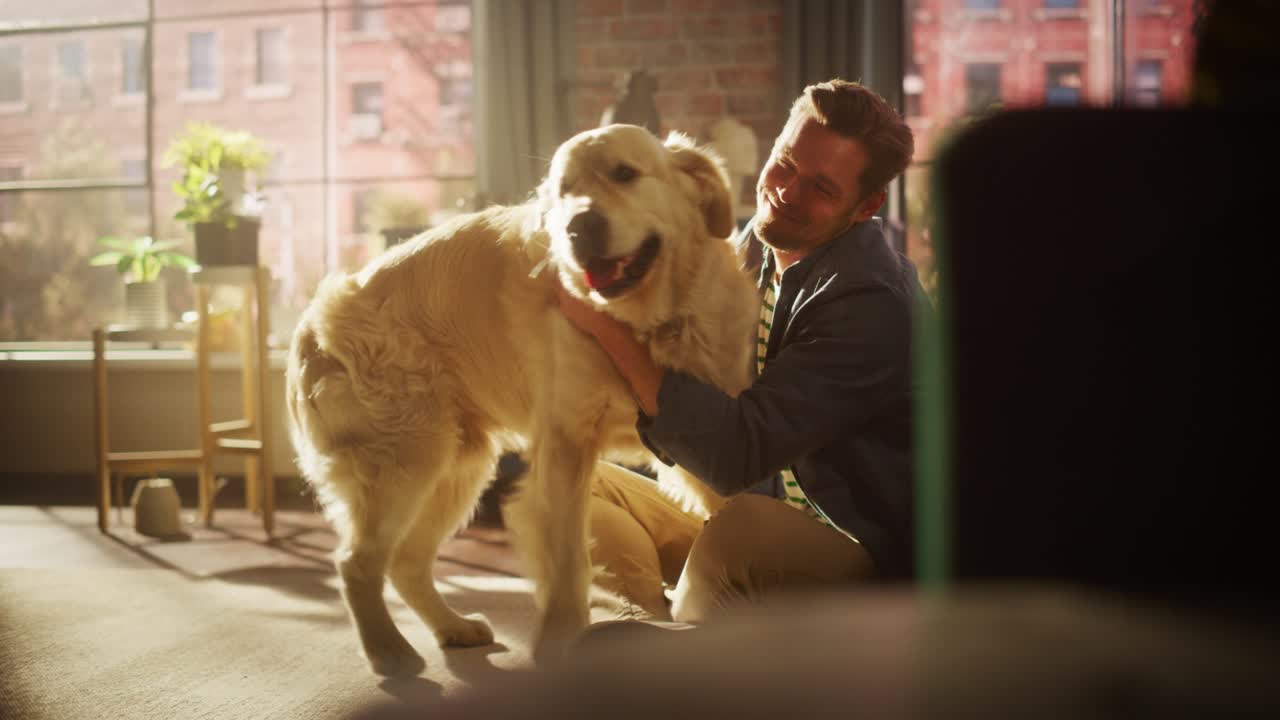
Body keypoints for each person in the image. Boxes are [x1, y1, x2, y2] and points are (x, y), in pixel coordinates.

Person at [557, 79, 928, 625]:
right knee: (574, 477)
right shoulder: (760, 239)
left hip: (860, 554)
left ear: (865, 205)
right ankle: (639, 627)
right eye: (785, 165)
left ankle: (673, 659)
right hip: (756, 512)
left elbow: (737, 455)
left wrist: (609, 327)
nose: (787, 193)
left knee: (741, 527)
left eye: (821, 188)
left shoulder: (872, 300)